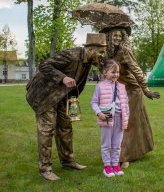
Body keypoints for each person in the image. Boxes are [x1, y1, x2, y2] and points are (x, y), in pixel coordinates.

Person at [26, 33, 107, 181]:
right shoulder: (71, 55)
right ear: (90, 49)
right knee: (47, 130)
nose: (103, 55)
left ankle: (68, 161)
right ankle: (45, 168)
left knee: (66, 128)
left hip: (63, 97)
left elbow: (82, 81)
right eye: (100, 51)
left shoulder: (89, 61)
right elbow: (44, 65)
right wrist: (63, 78)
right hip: (45, 95)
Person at [100, 26, 160, 168]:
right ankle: (125, 153)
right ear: (109, 37)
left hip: (132, 91)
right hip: (118, 92)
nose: (117, 39)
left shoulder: (124, 51)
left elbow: (137, 70)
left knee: (127, 125)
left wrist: (145, 89)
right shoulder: (107, 54)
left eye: (120, 36)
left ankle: (124, 157)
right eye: (114, 36)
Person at [90, 59, 129, 178]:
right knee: (106, 144)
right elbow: (94, 102)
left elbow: (126, 104)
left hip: (120, 119)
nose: (116, 74)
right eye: (113, 72)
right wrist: (99, 113)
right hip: (106, 119)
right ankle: (107, 166)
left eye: (117, 72)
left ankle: (115, 164)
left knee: (117, 144)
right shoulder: (100, 87)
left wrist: (126, 116)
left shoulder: (122, 87)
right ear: (105, 72)